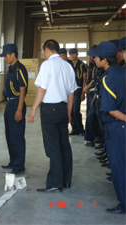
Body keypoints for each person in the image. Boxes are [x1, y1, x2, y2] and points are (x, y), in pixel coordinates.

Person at [27, 39, 77, 192]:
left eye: (43, 51)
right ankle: (66, 180)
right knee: (64, 145)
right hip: (62, 109)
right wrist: (68, 112)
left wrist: (34, 109)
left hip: (50, 110)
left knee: (53, 147)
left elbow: (42, 89)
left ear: (47, 49)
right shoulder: (67, 66)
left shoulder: (47, 65)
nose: (43, 54)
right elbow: (71, 93)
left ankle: (55, 183)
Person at [88, 41, 125, 214]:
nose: (94, 59)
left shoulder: (108, 78)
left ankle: (124, 203)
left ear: (104, 60)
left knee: (119, 167)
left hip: (117, 128)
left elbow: (111, 110)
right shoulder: (122, 72)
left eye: (96, 57)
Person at [0, 43, 28, 174]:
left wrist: (19, 109)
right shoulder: (11, 68)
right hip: (9, 104)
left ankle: (19, 165)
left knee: (17, 136)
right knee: (9, 135)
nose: (4, 58)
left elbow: (22, 90)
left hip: (17, 104)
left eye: (6, 56)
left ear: (13, 55)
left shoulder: (20, 69)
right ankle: (13, 161)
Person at [68, 48, 87, 136]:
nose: (72, 55)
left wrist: (83, 92)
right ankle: (74, 129)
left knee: (76, 110)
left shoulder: (82, 65)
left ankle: (80, 129)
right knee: (71, 110)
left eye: (73, 54)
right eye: (70, 54)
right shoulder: (69, 65)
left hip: (79, 89)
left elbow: (84, 79)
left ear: (77, 54)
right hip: (70, 90)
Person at [83, 45, 98, 147]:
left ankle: (92, 138)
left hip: (94, 92)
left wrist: (86, 87)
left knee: (91, 116)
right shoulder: (91, 65)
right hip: (90, 92)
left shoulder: (97, 66)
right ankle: (93, 137)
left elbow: (95, 80)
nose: (89, 57)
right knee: (91, 114)